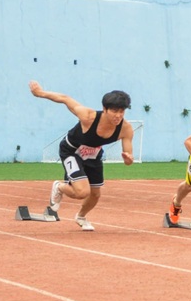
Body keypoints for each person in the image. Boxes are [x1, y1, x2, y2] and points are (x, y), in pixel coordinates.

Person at [29, 80, 134, 231]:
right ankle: (60, 187)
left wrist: (128, 159)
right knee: (82, 192)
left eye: (122, 111)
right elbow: (65, 98)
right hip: (71, 151)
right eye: (114, 111)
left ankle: (81, 217)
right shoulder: (88, 117)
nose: (118, 116)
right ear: (104, 109)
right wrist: (40, 93)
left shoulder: (126, 129)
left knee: (95, 194)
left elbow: (129, 158)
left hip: (93, 154)